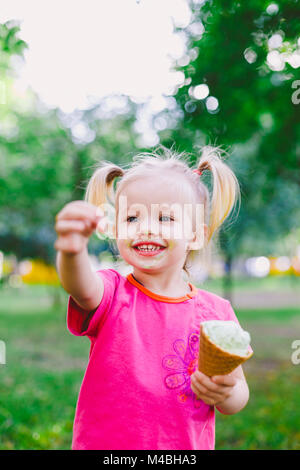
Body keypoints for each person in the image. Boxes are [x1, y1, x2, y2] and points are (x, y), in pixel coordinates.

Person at [55, 145, 251, 450]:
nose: (146, 228)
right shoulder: (113, 291)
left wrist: (226, 393)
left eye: (165, 218)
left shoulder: (216, 312)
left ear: (195, 235)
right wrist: (72, 250)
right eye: (132, 218)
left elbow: (238, 392)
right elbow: (80, 286)